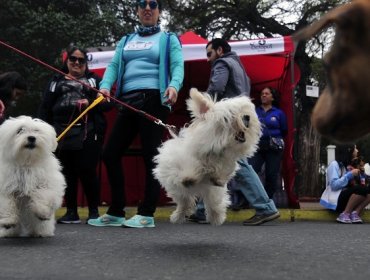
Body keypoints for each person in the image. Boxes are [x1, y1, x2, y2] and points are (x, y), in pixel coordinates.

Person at [88, 0, 184, 228]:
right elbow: (113, 66)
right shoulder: (126, 40)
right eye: (142, 4)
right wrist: (105, 86)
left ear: (159, 11)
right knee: (110, 153)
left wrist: (174, 86)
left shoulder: (168, 39)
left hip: (154, 99)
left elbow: (178, 65)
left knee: (152, 155)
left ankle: (146, 213)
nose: (147, 8)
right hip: (128, 102)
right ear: (138, 11)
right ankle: (116, 211)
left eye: (153, 4)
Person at [188, 38, 280, 226]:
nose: (208, 59)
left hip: (227, 121)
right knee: (212, 161)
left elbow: (216, 88)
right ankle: (203, 210)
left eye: (209, 54)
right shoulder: (240, 68)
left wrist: (203, 108)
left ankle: (265, 207)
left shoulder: (222, 63)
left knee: (236, 163)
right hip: (240, 119)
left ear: (220, 50)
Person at [39, 46, 109, 224]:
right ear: (67, 61)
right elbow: (45, 108)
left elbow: (109, 104)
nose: (76, 63)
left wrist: (91, 102)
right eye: (73, 59)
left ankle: (93, 212)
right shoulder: (55, 81)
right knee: (66, 173)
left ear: (86, 63)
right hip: (60, 132)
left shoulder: (94, 81)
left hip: (87, 131)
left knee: (87, 170)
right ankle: (71, 212)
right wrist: (42, 131)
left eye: (81, 60)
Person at [249, 87, 288, 199]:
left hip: (274, 147)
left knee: (271, 175)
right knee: (250, 171)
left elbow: (284, 130)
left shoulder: (279, 113)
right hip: (258, 146)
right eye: (262, 93)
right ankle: (245, 201)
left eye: (267, 94)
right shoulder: (255, 111)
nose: (264, 95)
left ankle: (267, 201)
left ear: (272, 97)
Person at [320, 145, 370, 224]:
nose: (357, 151)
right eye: (355, 149)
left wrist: (361, 173)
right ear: (349, 151)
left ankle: (355, 213)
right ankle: (345, 214)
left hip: (344, 198)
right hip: (335, 201)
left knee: (367, 190)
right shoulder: (334, 165)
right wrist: (350, 174)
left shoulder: (346, 166)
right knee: (360, 189)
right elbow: (334, 185)